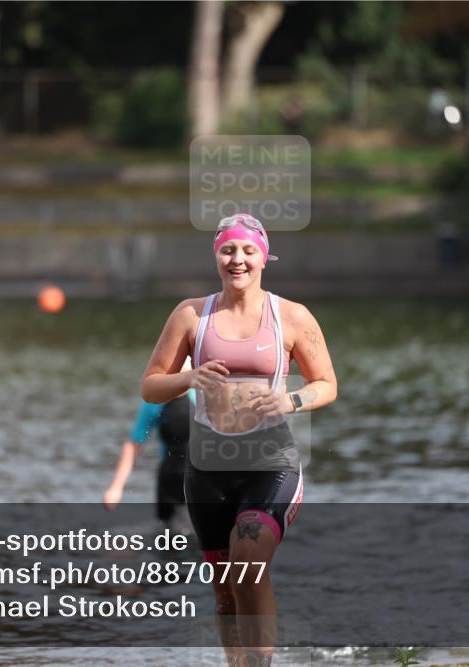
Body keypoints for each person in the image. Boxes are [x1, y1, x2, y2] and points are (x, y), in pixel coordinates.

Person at [141, 213, 338, 667]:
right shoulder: (192, 315)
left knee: (249, 560)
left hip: (270, 462)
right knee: (227, 591)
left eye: (248, 250)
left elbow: (327, 383)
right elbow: (150, 385)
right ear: (217, 256)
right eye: (229, 250)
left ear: (264, 256)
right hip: (207, 468)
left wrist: (291, 402)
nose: (238, 259)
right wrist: (189, 376)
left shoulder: (290, 316)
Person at [104, 359, 195, 531]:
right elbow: (134, 444)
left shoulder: (203, 397)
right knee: (169, 538)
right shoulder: (154, 404)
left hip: (200, 480)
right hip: (169, 480)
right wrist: (116, 487)